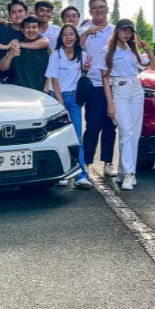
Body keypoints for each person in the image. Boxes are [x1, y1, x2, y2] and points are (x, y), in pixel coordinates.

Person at [101, 19, 155, 190]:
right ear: (117, 31)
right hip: (119, 90)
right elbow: (105, 78)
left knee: (134, 133)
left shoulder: (134, 51)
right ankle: (129, 173)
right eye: (124, 30)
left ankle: (122, 171)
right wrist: (110, 103)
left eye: (130, 31)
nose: (127, 34)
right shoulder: (107, 51)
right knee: (126, 131)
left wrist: (146, 49)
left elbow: (154, 67)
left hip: (136, 89)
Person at [46, 24, 94, 189]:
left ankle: (81, 174)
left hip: (74, 99)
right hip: (57, 99)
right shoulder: (56, 55)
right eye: (65, 34)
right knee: (59, 137)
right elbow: (54, 80)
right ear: (61, 38)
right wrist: (60, 104)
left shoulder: (82, 55)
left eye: (71, 34)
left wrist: (85, 71)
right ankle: (64, 173)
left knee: (77, 137)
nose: (68, 37)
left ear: (76, 37)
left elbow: (81, 78)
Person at [79, 0, 117, 176]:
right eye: (95, 8)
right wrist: (86, 33)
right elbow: (74, 50)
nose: (99, 10)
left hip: (114, 84)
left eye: (102, 7)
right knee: (93, 125)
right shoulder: (83, 30)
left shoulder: (115, 30)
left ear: (107, 8)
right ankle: (86, 163)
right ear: (90, 11)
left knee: (110, 125)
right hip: (94, 84)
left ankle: (108, 162)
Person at [0, 0, 49, 81]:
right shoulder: (1, 27)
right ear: (9, 16)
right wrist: (6, 47)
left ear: (26, 13)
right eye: (13, 12)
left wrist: (20, 45)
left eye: (20, 11)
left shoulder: (28, 32)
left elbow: (45, 42)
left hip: (15, 82)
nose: (17, 15)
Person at [0, 16, 50, 91]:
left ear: (39, 29)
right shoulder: (15, 48)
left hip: (40, 95)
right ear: (22, 30)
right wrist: (9, 55)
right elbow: (2, 68)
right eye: (27, 27)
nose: (31, 30)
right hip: (18, 95)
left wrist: (46, 92)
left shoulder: (46, 51)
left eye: (34, 27)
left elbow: (51, 75)